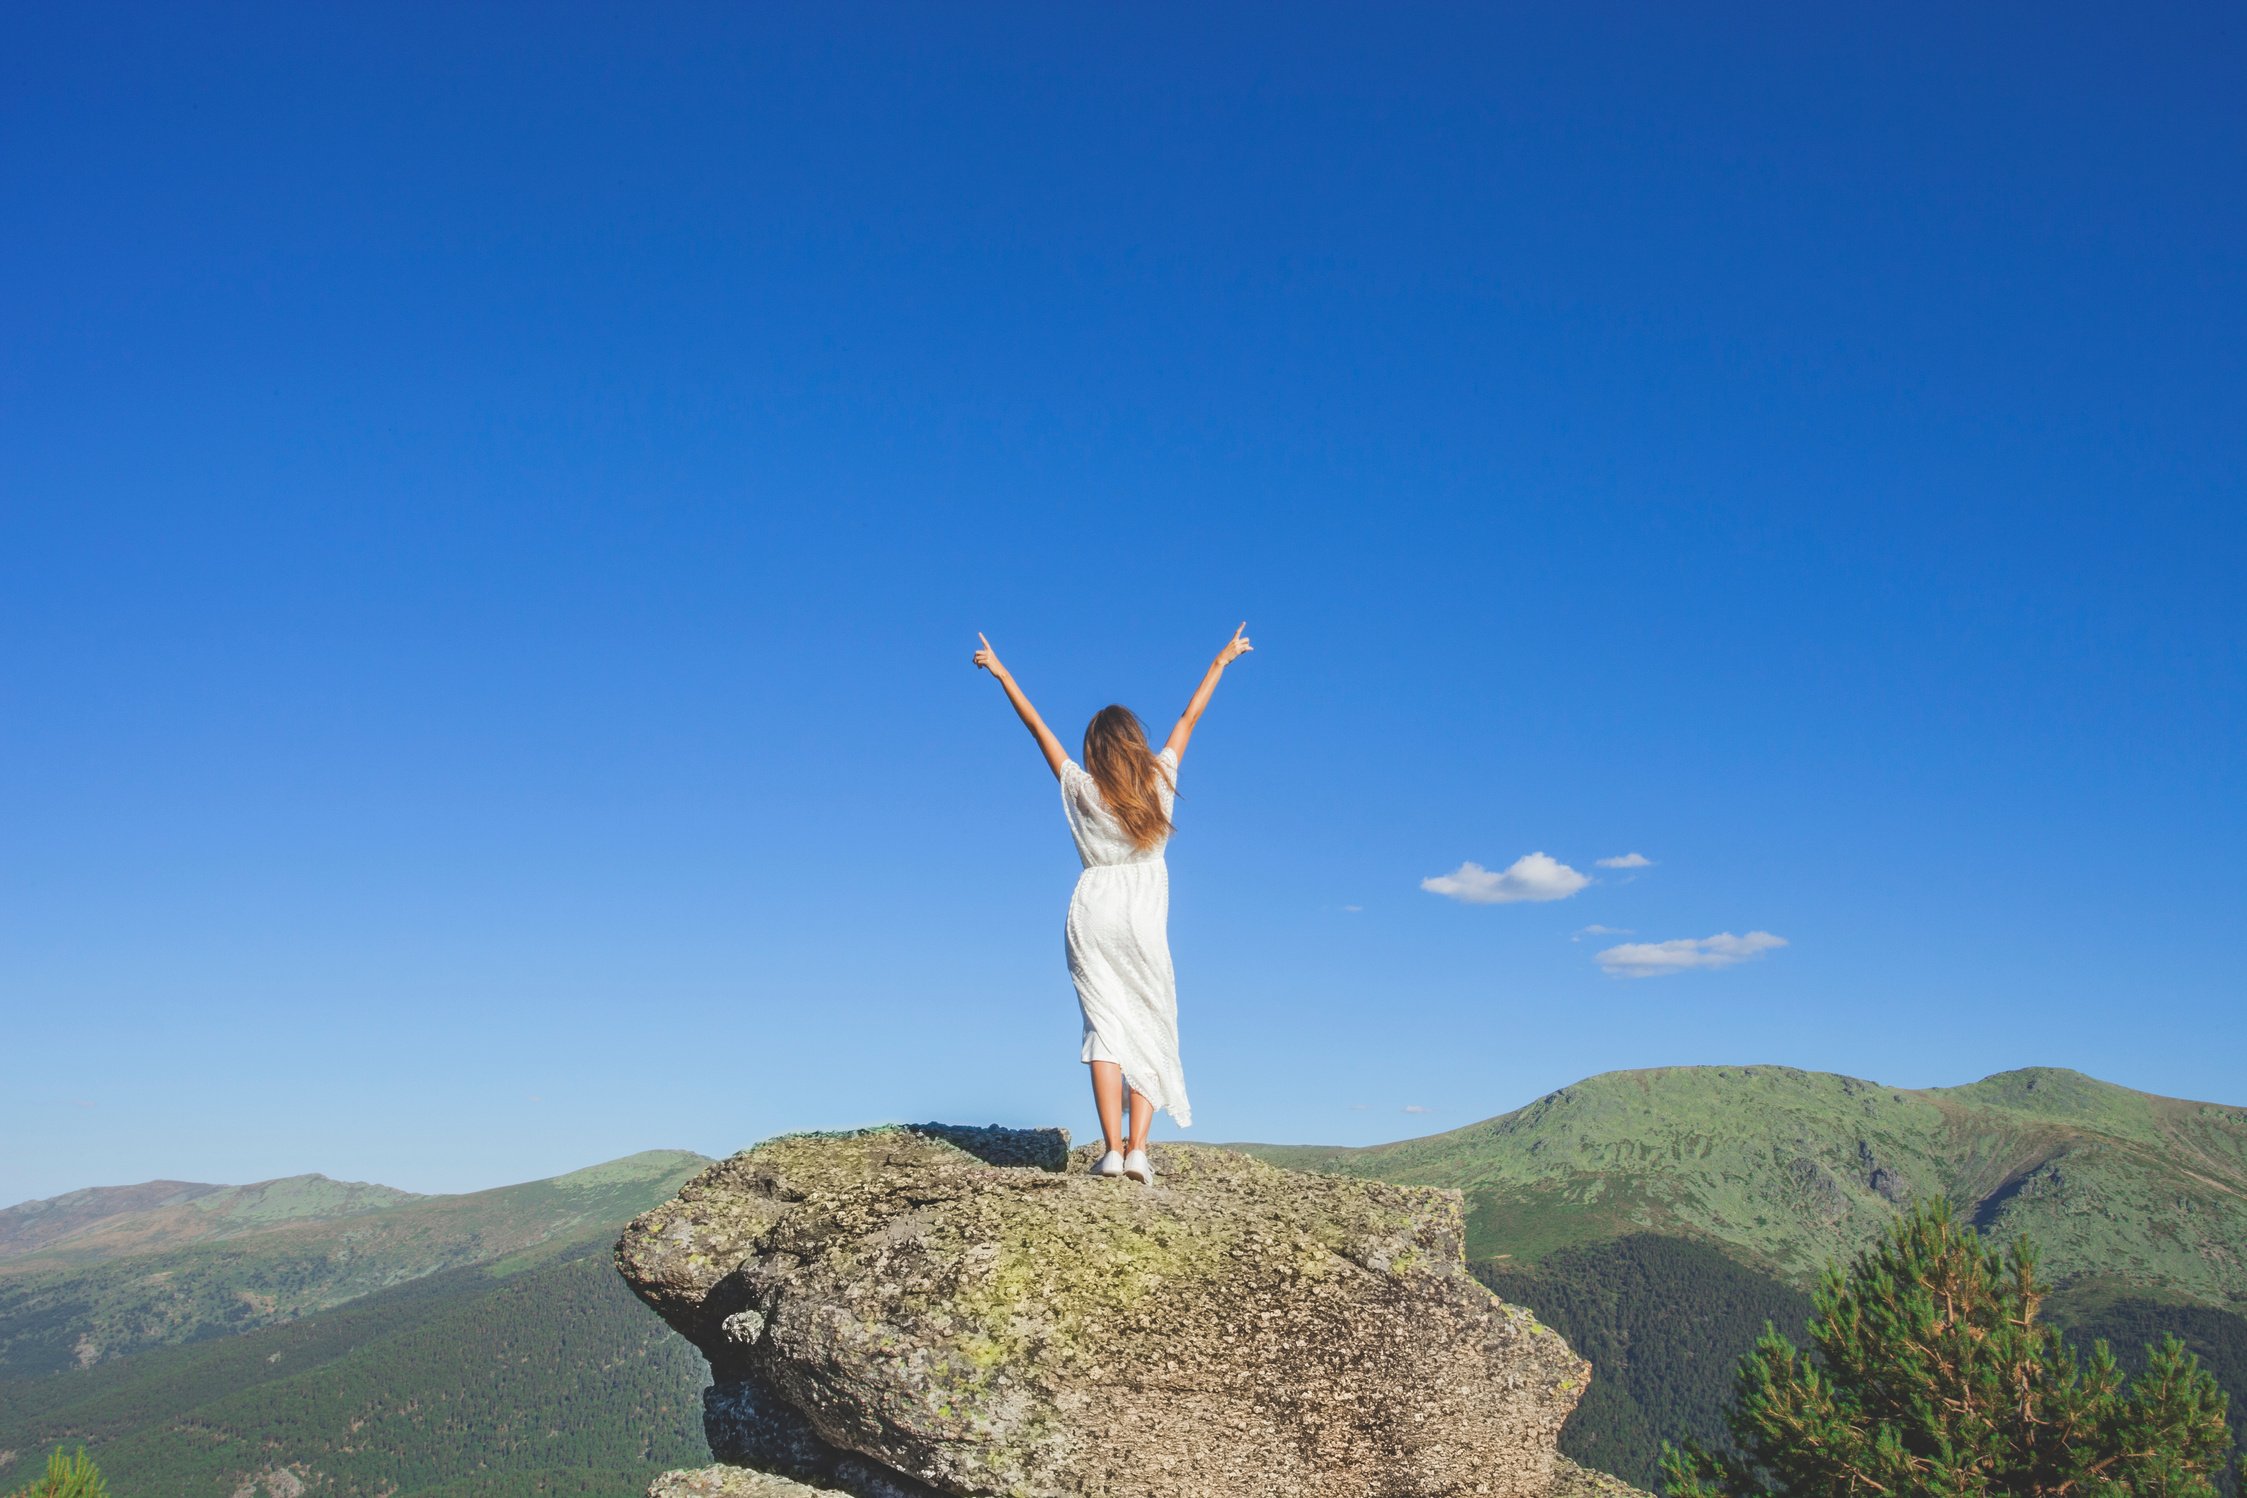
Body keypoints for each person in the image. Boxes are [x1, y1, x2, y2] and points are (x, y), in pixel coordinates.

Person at [971, 623, 1254, 1184]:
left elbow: (1036, 728)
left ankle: (1112, 1150)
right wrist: (1221, 661)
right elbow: (1188, 719)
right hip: (1143, 911)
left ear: (1095, 750)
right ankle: (1141, 1151)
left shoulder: (1080, 788)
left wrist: (1004, 673)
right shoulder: (1160, 782)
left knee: (1104, 1026)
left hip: (1093, 908)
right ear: (1133, 742)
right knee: (1149, 1018)